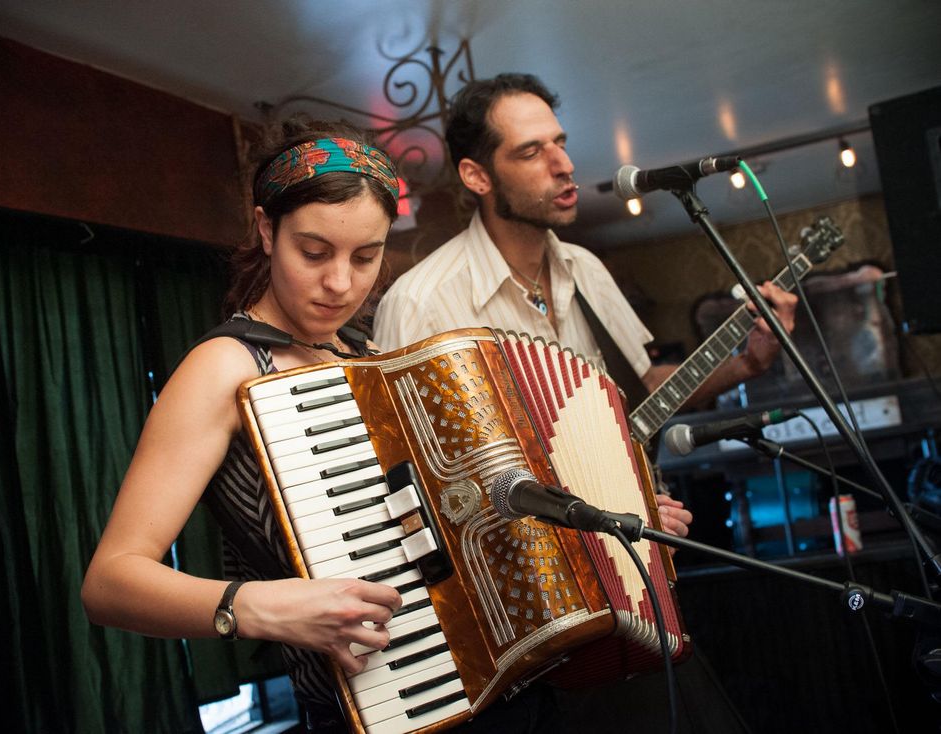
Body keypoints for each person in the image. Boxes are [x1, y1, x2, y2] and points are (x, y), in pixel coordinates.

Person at [81, 117, 575, 734]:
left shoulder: (370, 358)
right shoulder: (224, 367)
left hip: (494, 692)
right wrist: (257, 607)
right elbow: (109, 582)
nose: (341, 283)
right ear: (267, 229)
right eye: (313, 253)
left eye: (365, 257)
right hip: (360, 713)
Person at [373, 73, 798, 732]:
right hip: (523, 646)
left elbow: (643, 388)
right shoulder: (425, 303)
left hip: (626, 599)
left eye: (561, 143)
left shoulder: (586, 271)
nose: (564, 164)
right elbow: (428, 497)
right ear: (477, 176)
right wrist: (609, 512)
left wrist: (749, 360)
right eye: (530, 152)